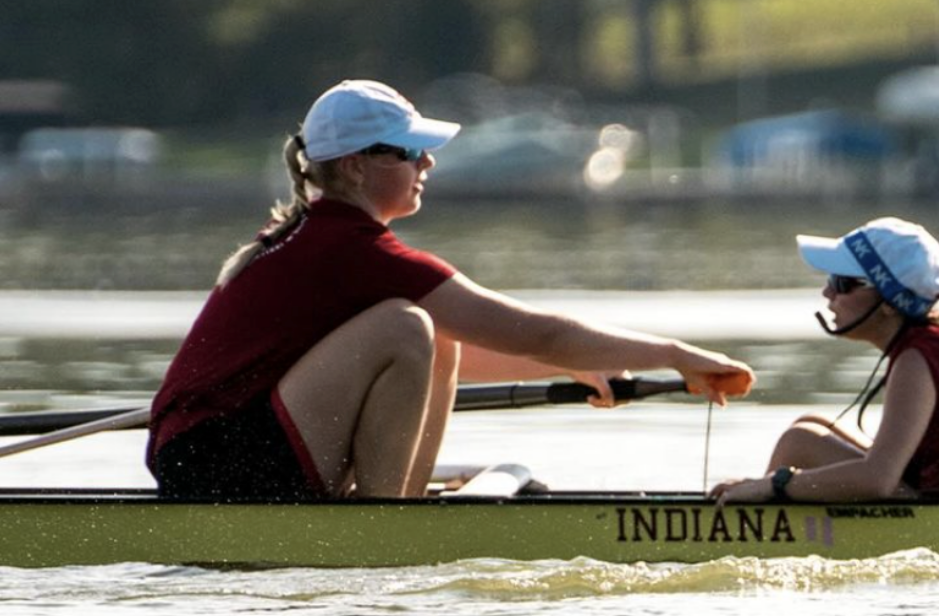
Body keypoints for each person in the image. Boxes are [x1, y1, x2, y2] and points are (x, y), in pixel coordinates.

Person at [147, 79, 753, 501]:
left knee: (432, 334)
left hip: (214, 452)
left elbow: (499, 344)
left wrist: (584, 366)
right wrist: (675, 354)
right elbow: (538, 332)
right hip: (218, 464)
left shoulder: (318, 236)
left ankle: (390, 505)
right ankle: (383, 528)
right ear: (356, 167)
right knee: (407, 326)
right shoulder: (349, 249)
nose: (429, 164)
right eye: (413, 152)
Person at [711, 217, 939, 504]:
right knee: (812, 424)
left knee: (800, 443)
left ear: (889, 301)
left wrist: (774, 484)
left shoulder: (919, 357)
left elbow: (878, 480)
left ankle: (761, 526)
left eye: (842, 283)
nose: (828, 293)